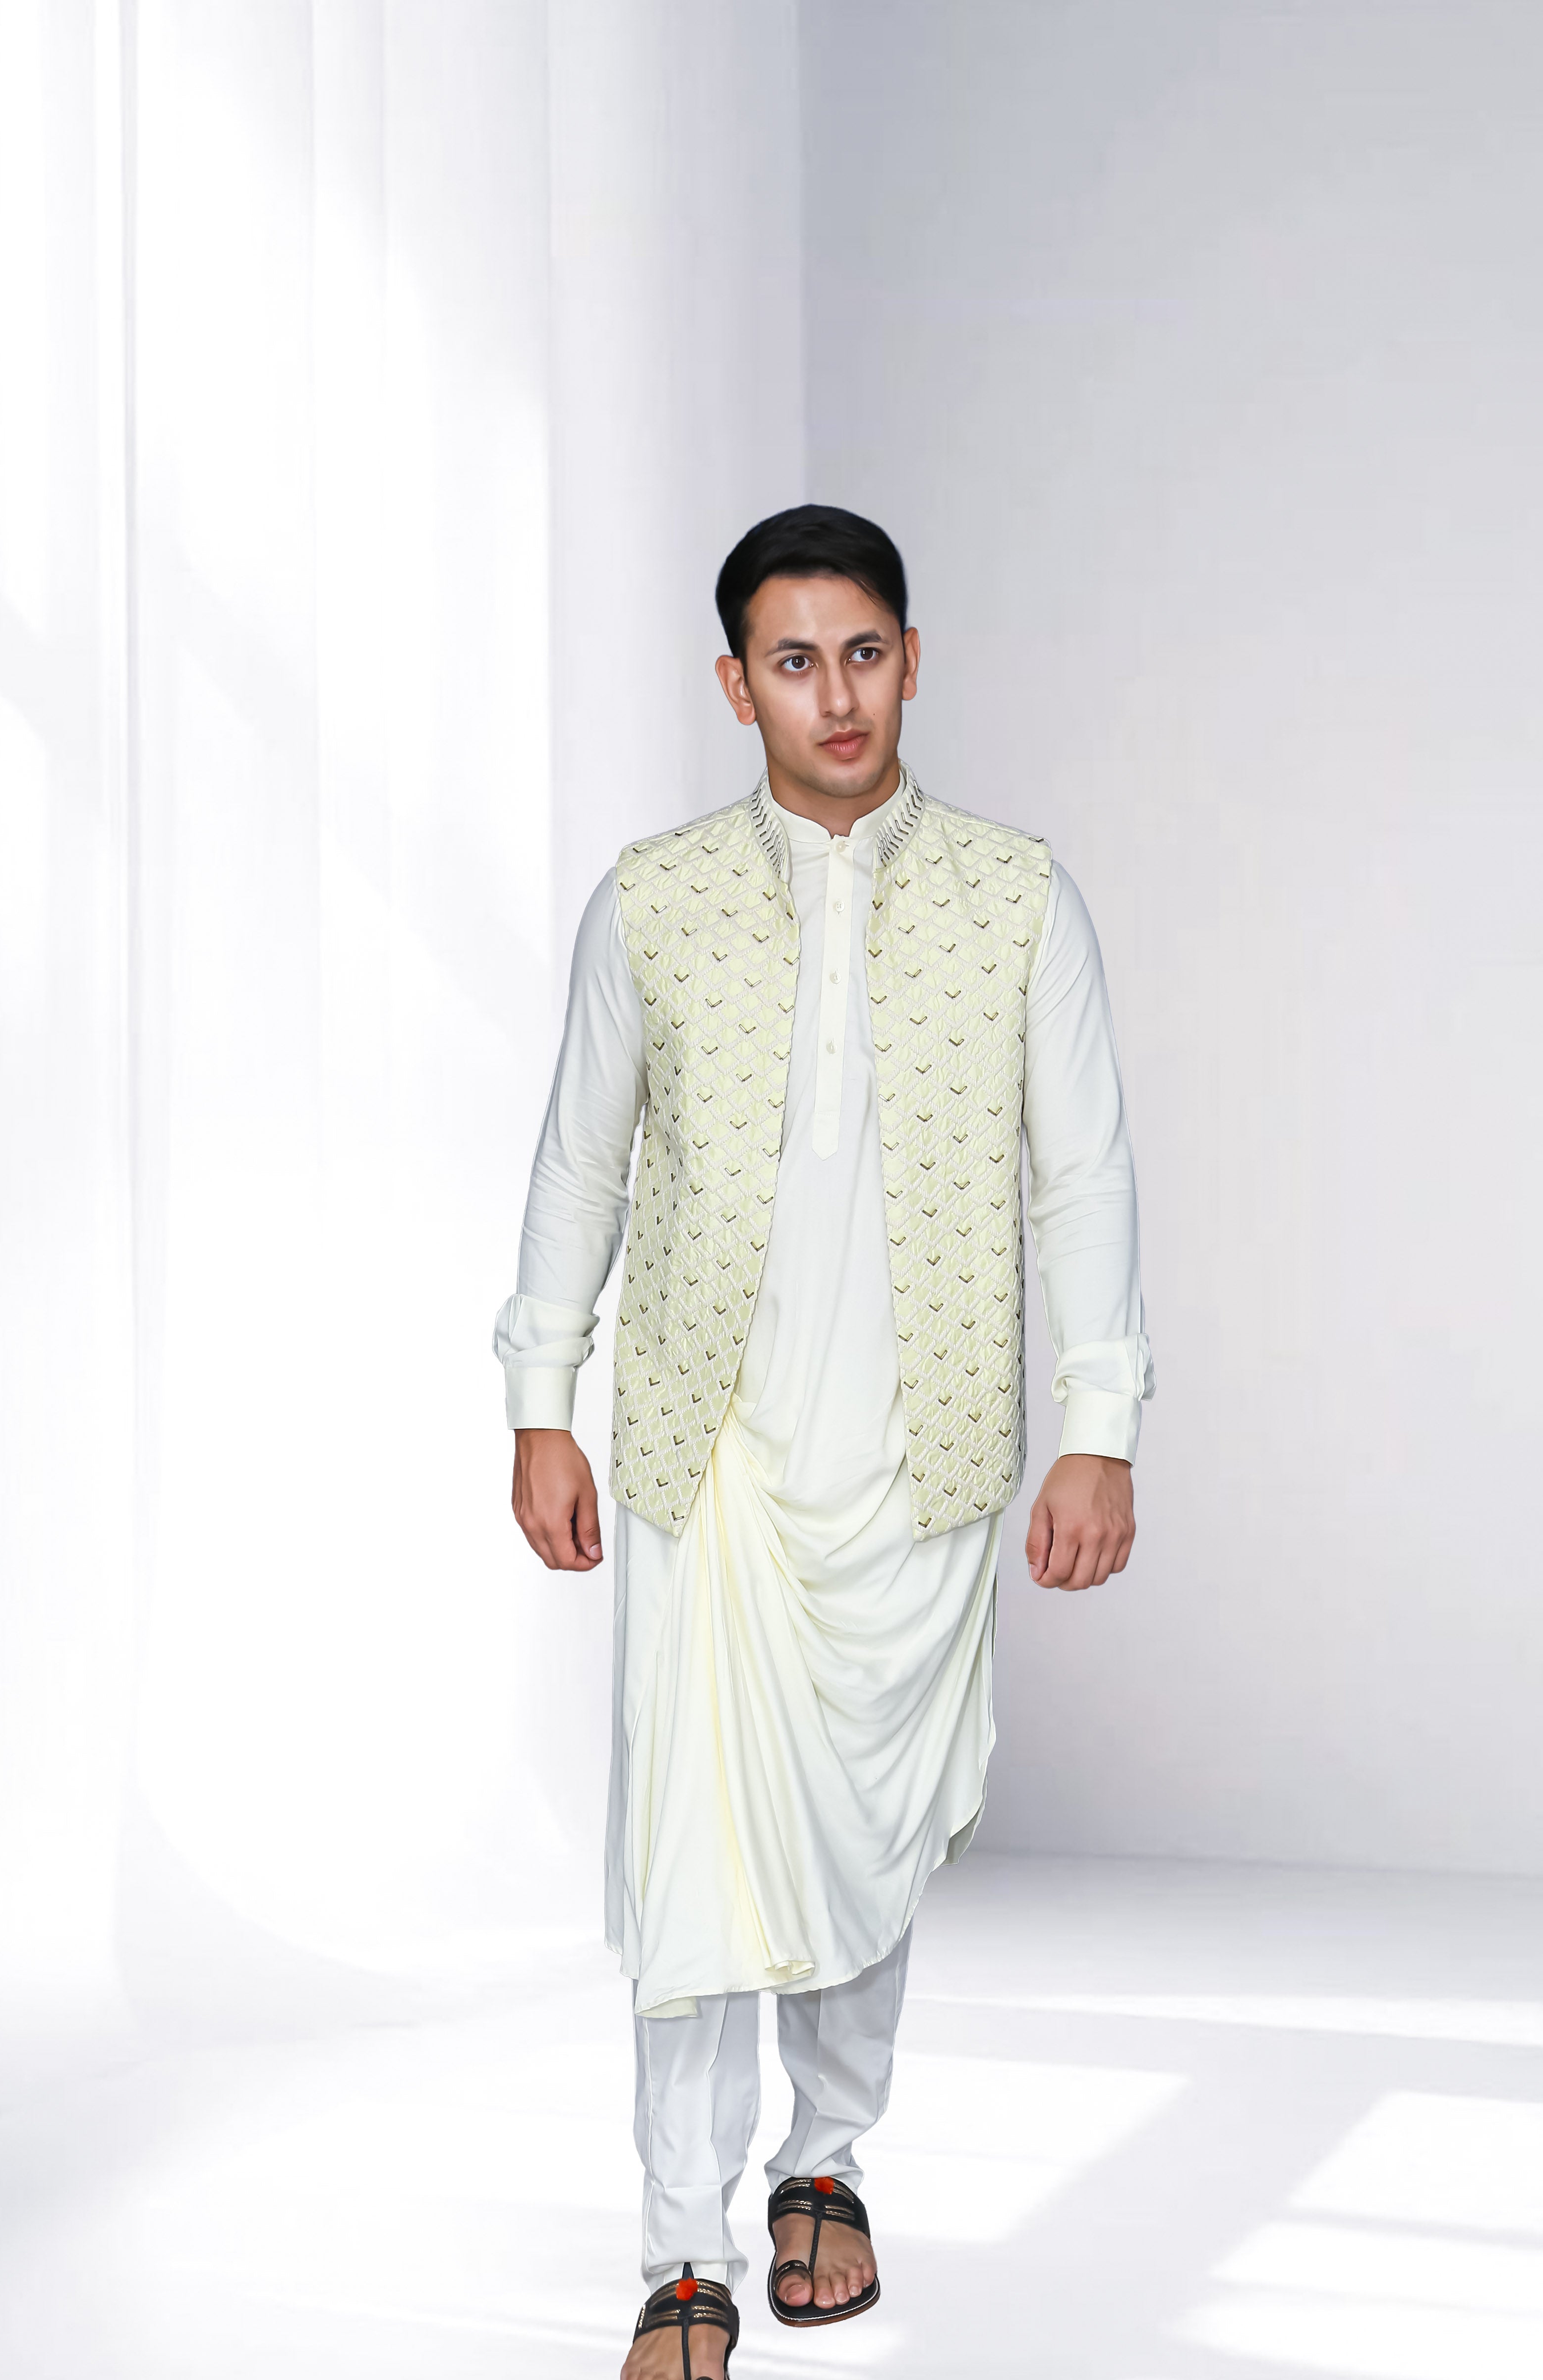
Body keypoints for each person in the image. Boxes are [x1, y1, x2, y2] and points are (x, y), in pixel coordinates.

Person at [496, 504, 1152, 2380]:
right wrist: (540, 1403)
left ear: (913, 660)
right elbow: (578, 1165)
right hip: (708, 1450)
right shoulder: (655, 898)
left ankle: (830, 2165)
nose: (835, 693)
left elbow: (1085, 1174)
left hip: (928, 1449)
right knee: (691, 1853)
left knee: (862, 1851)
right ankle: (682, 2249)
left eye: (863, 651)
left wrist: (1098, 1426)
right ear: (736, 686)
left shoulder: (1020, 896)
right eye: (794, 660)